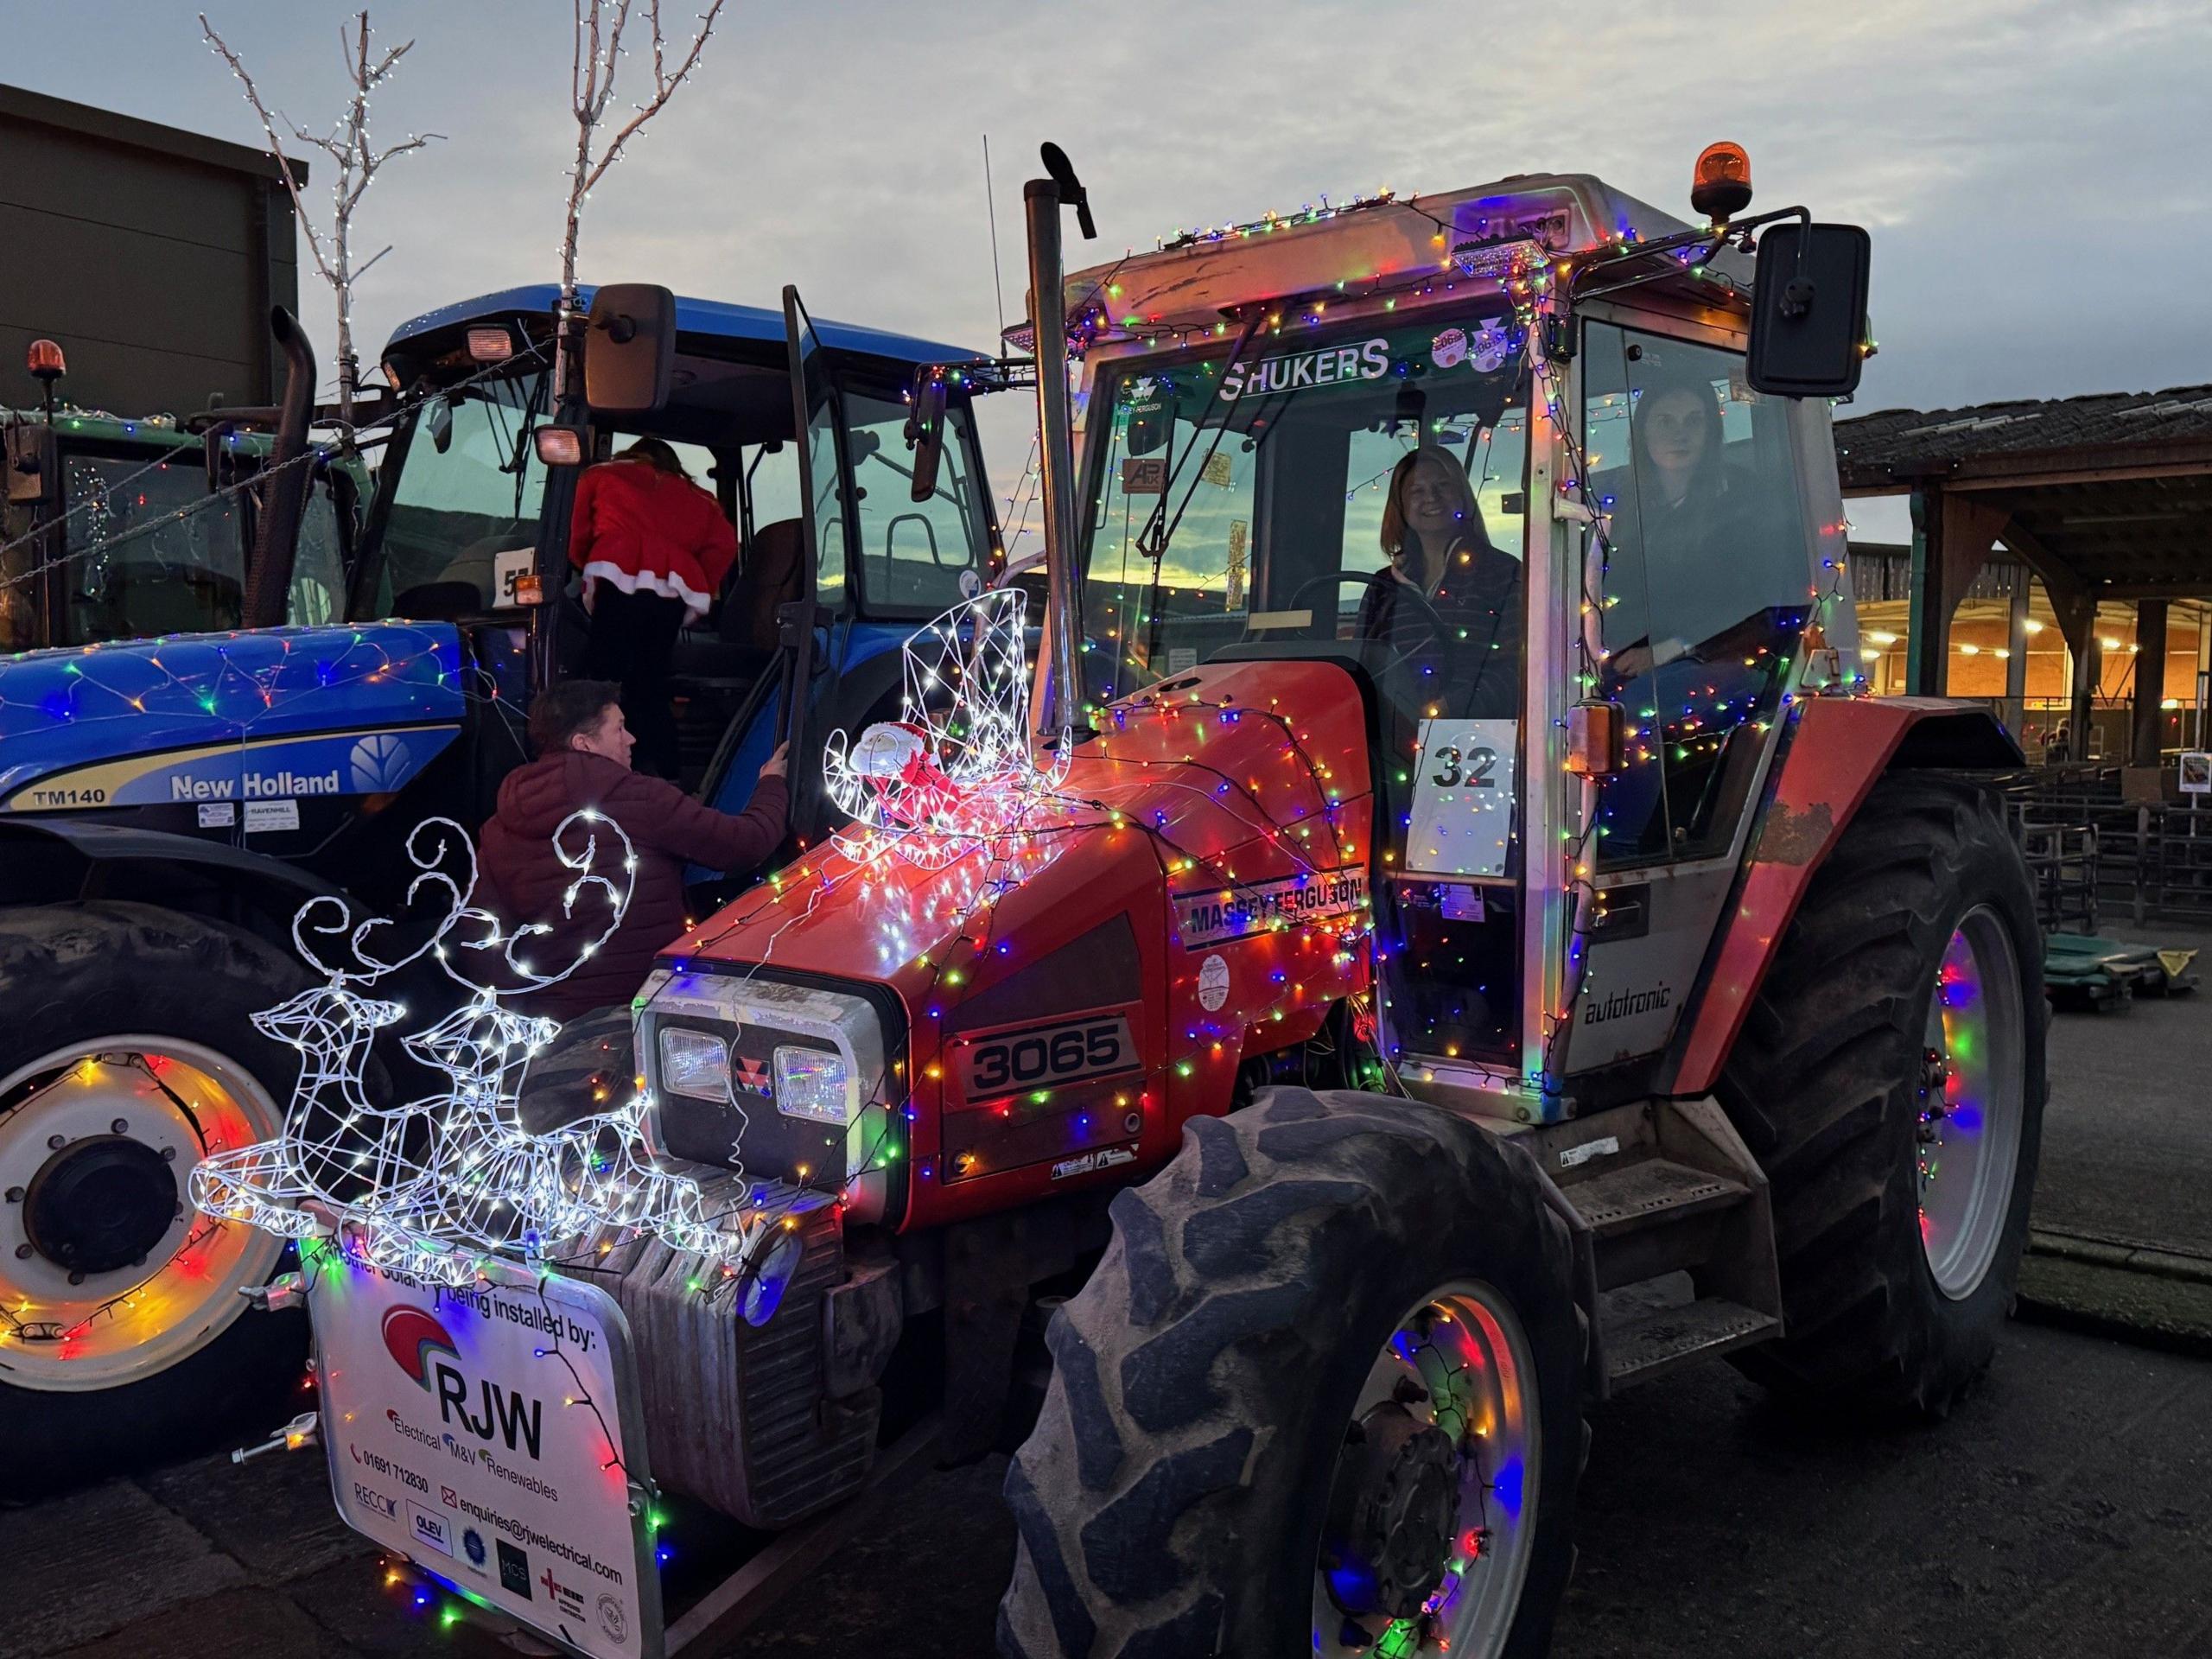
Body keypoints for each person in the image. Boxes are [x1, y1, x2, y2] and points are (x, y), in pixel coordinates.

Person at [477, 679, 789, 1023]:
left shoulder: (500, 824)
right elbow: (745, 844)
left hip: (549, 1024)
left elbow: (478, 935)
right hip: (642, 1010)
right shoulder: (639, 798)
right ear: (584, 744)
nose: (631, 739)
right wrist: (772, 783)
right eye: (620, 729)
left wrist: (525, 1006)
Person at [570, 437, 738, 779]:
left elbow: (576, 533)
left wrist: (583, 562)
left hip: (615, 572)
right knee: (650, 680)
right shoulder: (699, 497)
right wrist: (698, 578)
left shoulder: (601, 476)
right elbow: (724, 546)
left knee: (604, 675)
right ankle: (663, 768)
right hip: (673, 587)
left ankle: (601, 763)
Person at [1356, 446, 1521, 715]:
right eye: (1416, 491)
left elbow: (1520, 668)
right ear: (1401, 506)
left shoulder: (1503, 572)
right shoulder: (1383, 588)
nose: (1431, 497)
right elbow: (1362, 666)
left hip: (1479, 740)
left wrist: (1450, 707)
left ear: (1462, 497)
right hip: (1391, 745)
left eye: (1442, 486)